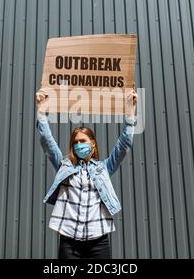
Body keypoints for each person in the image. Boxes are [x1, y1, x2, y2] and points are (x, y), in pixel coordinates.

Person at [35, 88, 138, 259]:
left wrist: (130, 113)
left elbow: (124, 145)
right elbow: (47, 141)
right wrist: (41, 110)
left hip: (99, 240)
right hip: (69, 241)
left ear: (92, 144)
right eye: (75, 142)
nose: (78, 145)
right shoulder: (64, 166)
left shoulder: (103, 168)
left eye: (82, 141)